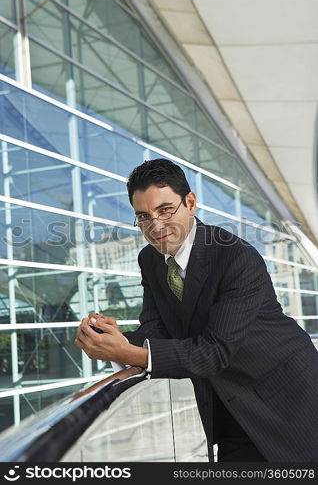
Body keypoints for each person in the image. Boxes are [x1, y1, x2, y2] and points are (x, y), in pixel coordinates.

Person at [75, 158, 318, 462]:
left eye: (165, 210)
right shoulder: (150, 260)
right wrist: (114, 340)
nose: (156, 226)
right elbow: (157, 327)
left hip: (288, 400)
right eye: (143, 217)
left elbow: (214, 351)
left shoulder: (236, 257)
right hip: (230, 406)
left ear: (190, 202)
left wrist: (125, 354)